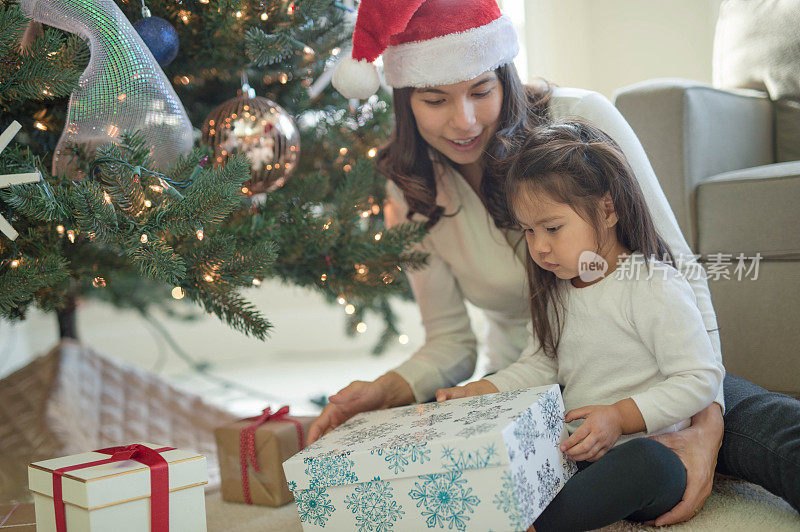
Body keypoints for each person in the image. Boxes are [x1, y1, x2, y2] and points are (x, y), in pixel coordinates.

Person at [313, 0, 800, 524]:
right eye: (435, 100)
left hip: (653, 368)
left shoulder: (578, 125)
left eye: (482, 90)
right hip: (534, 388)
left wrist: (706, 426)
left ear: (505, 76)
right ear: (406, 98)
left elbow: (674, 268)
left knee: (769, 431)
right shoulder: (410, 188)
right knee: (494, 485)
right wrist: (388, 389)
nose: (466, 120)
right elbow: (453, 343)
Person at [435, 119, 725, 530]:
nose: (539, 247)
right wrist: (484, 389)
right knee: (514, 464)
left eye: (552, 228)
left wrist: (620, 417)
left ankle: (542, 524)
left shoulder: (651, 284)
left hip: (649, 448)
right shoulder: (557, 290)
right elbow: (541, 365)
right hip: (578, 453)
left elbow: (700, 379)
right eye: (529, 231)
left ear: (607, 210)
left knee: (645, 463)